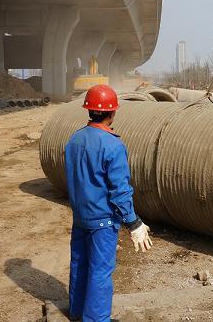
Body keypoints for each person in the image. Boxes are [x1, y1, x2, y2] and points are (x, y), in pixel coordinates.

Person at [64, 84, 153, 321]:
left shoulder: (74, 139)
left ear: (89, 110)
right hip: (102, 222)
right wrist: (133, 223)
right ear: (112, 113)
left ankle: (76, 311)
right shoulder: (112, 145)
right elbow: (120, 191)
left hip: (80, 216)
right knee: (100, 272)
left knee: (79, 263)